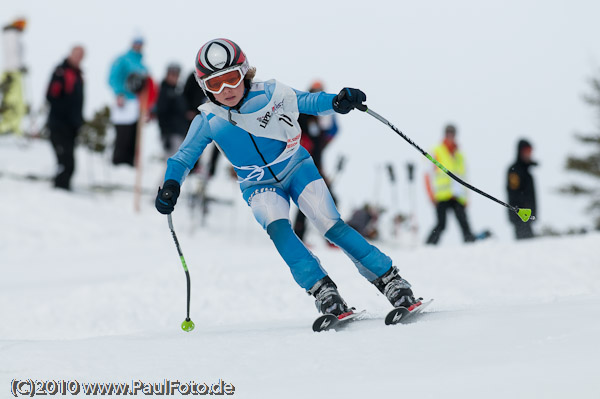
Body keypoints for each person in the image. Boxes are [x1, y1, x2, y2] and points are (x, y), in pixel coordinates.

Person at [155, 38, 418, 317]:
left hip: (297, 168)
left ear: (244, 72)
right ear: (204, 88)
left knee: (330, 225)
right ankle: (322, 290)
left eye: (231, 78)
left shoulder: (270, 93)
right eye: (215, 84)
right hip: (259, 186)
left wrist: (338, 101)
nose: (226, 90)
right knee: (278, 229)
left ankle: (391, 280)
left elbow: (308, 101)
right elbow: (182, 157)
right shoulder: (208, 119)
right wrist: (171, 185)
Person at [293, 80, 339, 241]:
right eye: (315, 91)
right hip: (302, 163)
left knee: (326, 199)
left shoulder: (321, 118)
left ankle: (331, 238)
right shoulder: (302, 115)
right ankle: (299, 236)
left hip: (316, 165)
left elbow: (331, 133)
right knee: (308, 199)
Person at [425, 124, 476, 244]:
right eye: (448, 133)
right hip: (442, 196)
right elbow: (427, 175)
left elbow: (464, 177)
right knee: (441, 224)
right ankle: (428, 246)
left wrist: (466, 197)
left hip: (457, 195)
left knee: (464, 222)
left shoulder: (459, 155)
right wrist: (431, 194)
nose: (450, 136)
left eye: (452, 133)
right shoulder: (436, 151)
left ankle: (471, 244)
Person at [45, 46, 85, 190]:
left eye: (81, 55)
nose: (78, 57)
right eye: (77, 54)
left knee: (70, 162)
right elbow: (51, 95)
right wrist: (64, 115)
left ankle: (64, 189)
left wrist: (78, 120)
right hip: (59, 124)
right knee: (65, 160)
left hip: (71, 126)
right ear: (71, 54)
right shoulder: (61, 71)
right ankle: (59, 189)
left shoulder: (78, 74)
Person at [108, 37, 148, 166]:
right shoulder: (122, 60)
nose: (138, 46)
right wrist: (119, 93)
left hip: (137, 103)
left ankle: (130, 164)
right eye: (136, 43)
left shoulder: (142, 64)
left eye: (140, 43)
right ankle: (119, 162)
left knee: (134, 134)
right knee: (123, 134)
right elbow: (112, 78)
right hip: (124, 101)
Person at [156, 63, 188, 158]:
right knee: (173, 161)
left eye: (176, 75)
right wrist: (166, 135)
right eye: (172, 74)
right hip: (170, 134)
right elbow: (161, 114)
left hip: (180, 131)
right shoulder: (163, 92)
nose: (174, 77)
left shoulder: (178, 91)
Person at [507, 139, 537, 239]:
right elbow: (513, 192)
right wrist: (521, 208)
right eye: (526, 151)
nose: (529, 154)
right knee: (525, 245)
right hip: (519, 216)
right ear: (520, 152)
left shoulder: (527, 171)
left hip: (528, 216)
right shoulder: (514, 171)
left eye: (530, 151)